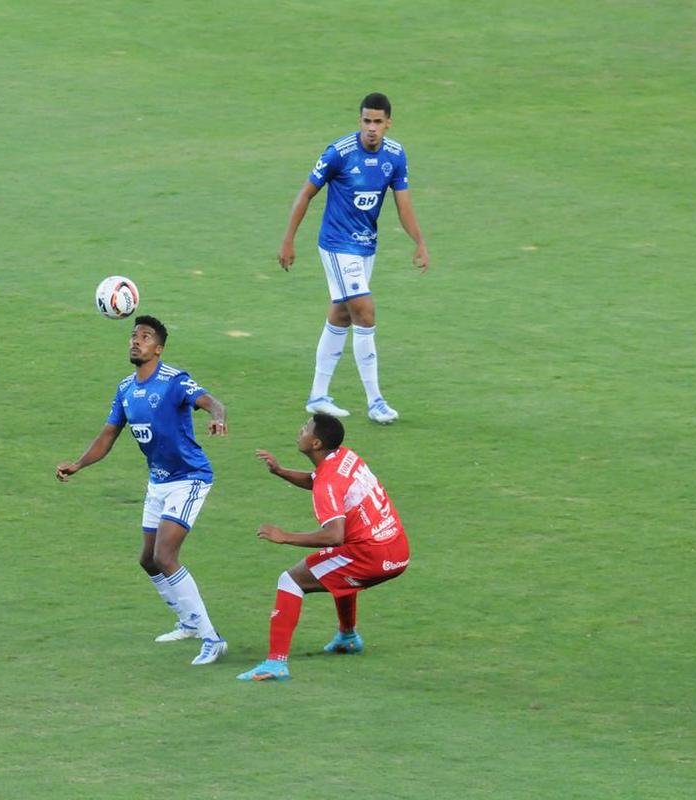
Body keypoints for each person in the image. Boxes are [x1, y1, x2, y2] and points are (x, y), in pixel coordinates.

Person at [56, 315, 229, 665]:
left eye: (145, 337)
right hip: (159, 481)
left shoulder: (173, 381)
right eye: (134, 336)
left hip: (189, 477)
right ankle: (187, 621)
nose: (136, 341)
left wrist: (218, 417)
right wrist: (78, 464)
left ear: (159, 348)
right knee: (147, 559)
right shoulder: (125, 389)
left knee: (166, 556)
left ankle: (212, 638)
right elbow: (108, 436)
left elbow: (212, 402)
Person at [278, 91, 429, 424]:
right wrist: (288, 240)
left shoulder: (395, 155)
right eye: (366, 121)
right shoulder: (339, 153)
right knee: (365, 311)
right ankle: (375, 401)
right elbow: (305, 194)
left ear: (388, 123)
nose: (371, 128)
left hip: (365, 247)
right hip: (336, 243)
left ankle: (317, 396)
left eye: (377, 122)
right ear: (359, 120)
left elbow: (403, 203)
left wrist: (419, 241)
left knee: (342, 316)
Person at [237, 413, 410, 681]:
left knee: (291, 580)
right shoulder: (345, 457)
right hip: (397, 548)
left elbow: (333, 536)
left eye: (306, 428)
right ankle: (347, 637)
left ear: (316, 443)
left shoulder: (328, 481)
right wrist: (281, 472)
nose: (301, 430)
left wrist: (285, 536)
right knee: (337, 566)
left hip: (371, 555)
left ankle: (275, 664)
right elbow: (316, 480)